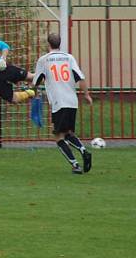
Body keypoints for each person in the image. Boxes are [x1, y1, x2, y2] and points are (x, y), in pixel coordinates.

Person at [32, 32, 94, 175]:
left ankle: (75, 165)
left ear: (48, 44)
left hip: (58, 102)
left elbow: (36, 82)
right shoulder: (69, 58)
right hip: (72, 101)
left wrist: (32, 93)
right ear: (60, 44)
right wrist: (86, 95)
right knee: (68, 133)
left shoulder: (44, 60)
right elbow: (80, 77)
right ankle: (83, 151)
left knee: (59, 137)